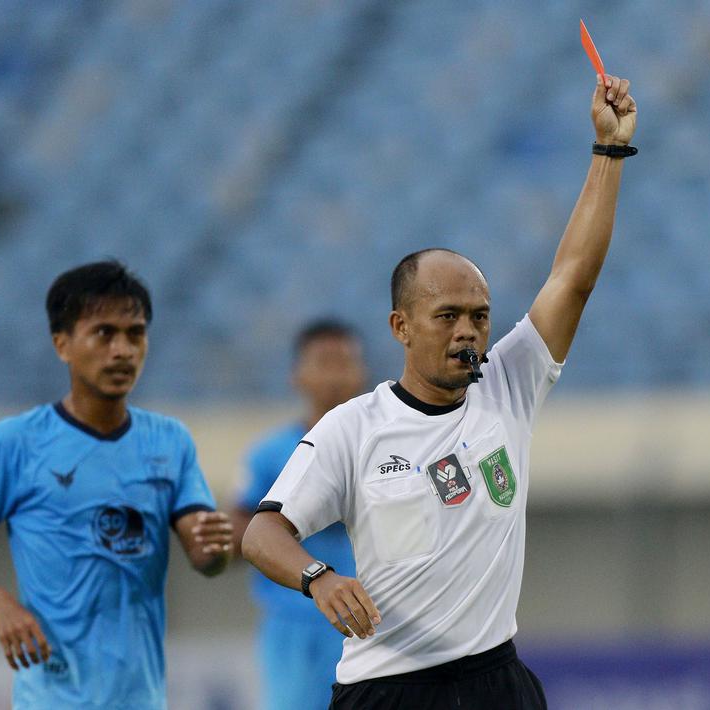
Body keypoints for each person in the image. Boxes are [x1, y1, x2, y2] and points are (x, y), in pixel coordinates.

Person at [241, 72, 637, 709]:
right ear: (401, 326)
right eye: (446, 316)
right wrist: (318, 578)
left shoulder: (508, 384)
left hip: (495, 682)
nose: (467, 332)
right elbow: (261, 534)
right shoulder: (354, 428)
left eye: (479, 316)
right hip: (389, 690)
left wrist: (609, 151)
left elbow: (572, 277)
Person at [0, 260, 233, 709]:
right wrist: (0, 603)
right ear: (62, 345)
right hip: (50, 698)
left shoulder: (169, 441)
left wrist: (216, 549)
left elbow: (205, 554)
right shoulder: (16, 443)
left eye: (135, 334)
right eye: (104, 333)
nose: (123, 350)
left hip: (141, 699)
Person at [230, 319, 366, 710]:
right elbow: (240, 532)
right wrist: (305, 515)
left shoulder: (382, 448)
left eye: (345, 363)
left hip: (369, 618)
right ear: (297, 376)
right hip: (296, 624)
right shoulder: (270, 454)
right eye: (324, 362)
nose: (336, 375)